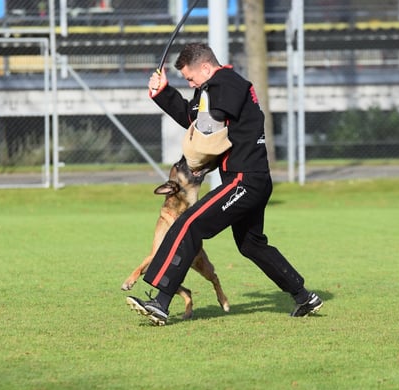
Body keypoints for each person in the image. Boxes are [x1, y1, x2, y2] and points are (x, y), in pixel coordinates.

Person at [126, 43, 322, 325]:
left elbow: (207, 123)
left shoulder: (228, 83)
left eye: (191, 78)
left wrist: (197, 147)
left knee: (189, 224)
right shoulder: (213, 88)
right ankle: (304, 296)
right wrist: (163, 92)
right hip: (250, 180)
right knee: (251, 245)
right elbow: (193, 117)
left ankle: (161, 302)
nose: (190, 84)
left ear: (206, 68)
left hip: (245, 180)